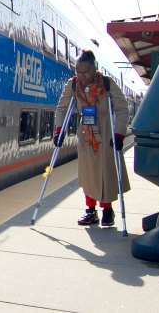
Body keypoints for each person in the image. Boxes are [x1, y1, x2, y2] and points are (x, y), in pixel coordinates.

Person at [54, 50, 130, 226]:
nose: (81, 76)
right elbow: (62, 108)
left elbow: (122, 108)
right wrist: (59, 130)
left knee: (105, 172)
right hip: (85, 132)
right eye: (78, 72)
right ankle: (90, 210)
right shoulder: (72, 85)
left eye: (85, 72)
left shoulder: (106, 83)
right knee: (87, 173)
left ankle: (108, 209)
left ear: (94, 69)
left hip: (105, 131)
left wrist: (119, 133)